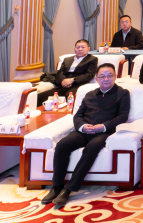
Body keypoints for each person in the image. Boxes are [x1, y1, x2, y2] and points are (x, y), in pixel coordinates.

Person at [41, 63, 130, 208]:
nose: (106, 79)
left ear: (115, 77)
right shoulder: (89, 94)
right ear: (97, 79)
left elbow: (123, 116)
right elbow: (78, 115)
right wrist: (82, 126)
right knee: (62, 145)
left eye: (109, 75)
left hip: (103, 132)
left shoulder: (122, 93)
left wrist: (103, 126)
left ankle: (68, 189)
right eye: (102, 76)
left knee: (93, 147)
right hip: (83, 131)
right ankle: (56, 187)